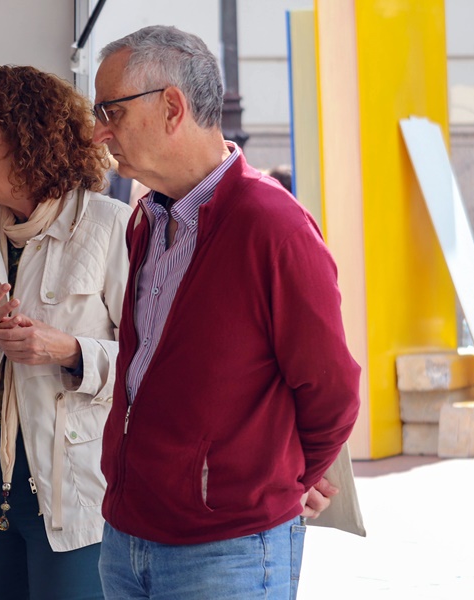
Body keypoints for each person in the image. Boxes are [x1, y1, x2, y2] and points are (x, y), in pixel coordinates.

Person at [91, 26, 361, 599]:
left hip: (228, 548)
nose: (99, 131)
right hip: (126, 534)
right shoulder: (147, 218)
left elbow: (332, 389)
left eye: (110, 110)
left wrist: (282, 481)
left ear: (171, 107)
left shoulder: (272, 225)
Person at [0, 65, 130, 599]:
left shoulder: (111, 227)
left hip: (75, 494)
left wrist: (69, 350)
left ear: (26, 134)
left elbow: (155, 365)